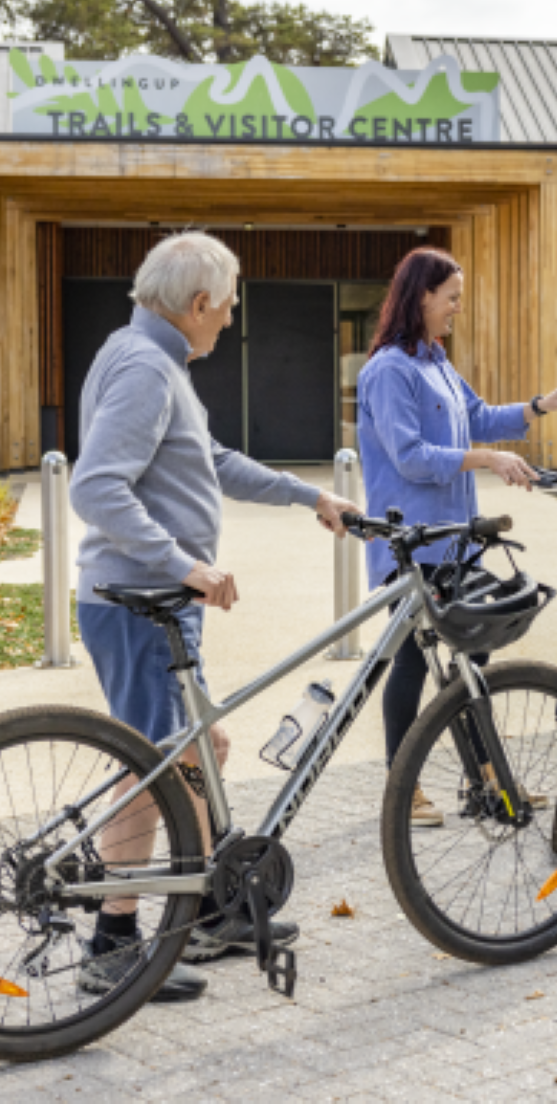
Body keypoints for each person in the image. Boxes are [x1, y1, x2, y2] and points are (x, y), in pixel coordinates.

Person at [70, 232, 359, 1002]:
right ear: (198, 304)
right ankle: (111, 944)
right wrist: (183, 565)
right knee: (155, 770)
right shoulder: (144, 367)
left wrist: (311, 496)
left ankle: (201, 912)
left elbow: (212, 459)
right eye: (227, 308)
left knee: (204, 748)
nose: (229, 322)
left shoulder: (146, 356)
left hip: (154, 606)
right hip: (139, 603)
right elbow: (95, 488)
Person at [356, 246, 557, 825]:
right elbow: (409, 457)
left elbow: (478, 414)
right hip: (410, 545)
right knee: (412, 661)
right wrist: (485, 458)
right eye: (452, 297)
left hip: (455, 543)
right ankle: (400, 787)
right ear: (423, 296)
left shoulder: (435, 359)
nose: (458, 308)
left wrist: (540, 405)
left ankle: (484, 779)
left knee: (476, 653)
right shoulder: (389, 371)